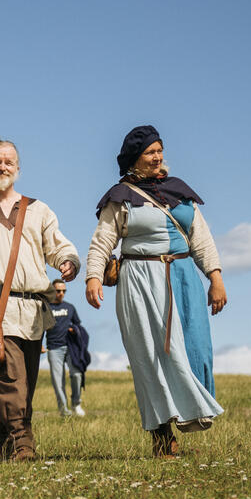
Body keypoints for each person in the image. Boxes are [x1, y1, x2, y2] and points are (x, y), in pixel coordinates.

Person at [85, 125, 227, 457]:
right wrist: (93, 277)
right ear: (135, 159)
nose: (157, 157)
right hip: (139, 281)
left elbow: (201, 239)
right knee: (150, 357)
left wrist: (215, 278)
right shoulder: (120, 197)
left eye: (160, 150)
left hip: (183, 278)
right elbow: (102, 242)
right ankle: (162, 435)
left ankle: (191, 413)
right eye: (150, 152)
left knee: (195, 349)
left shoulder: (179, 191)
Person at [0, 139, 80, 461]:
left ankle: (1, 439)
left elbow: (57, 246)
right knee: (12, 381)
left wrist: (68, 260)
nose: (2, 167)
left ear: (18, 169)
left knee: (26, 385)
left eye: (8, 162)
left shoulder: (39, 210)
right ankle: (23, 446)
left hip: (34, 310)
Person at [44, 279, 86, 417]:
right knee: (58, 381)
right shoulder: (46, 308)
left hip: (70, 348)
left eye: (64, 291)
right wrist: (40, 345)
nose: (61, 293)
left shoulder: (70, 308)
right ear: (52, 290)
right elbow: (40, 327)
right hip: (53, 348)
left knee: (77, 375)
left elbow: (78, 324)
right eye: (58, 291)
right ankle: (64, 410)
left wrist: (74, 330)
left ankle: (76, 404)